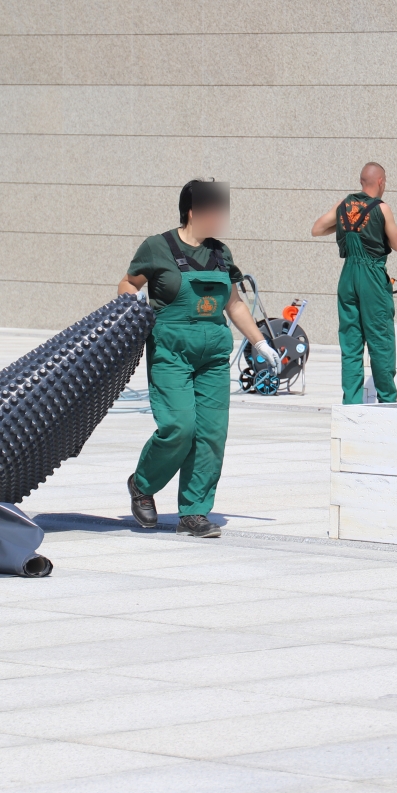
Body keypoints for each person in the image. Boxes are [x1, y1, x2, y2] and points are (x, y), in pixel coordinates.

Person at [117, 180, 277, 539]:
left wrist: (260, 342)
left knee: (211, 434)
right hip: (170, 351)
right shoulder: (157, 248)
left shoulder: (221, 253)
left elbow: (233, 303)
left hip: (213, 355)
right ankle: (142, 484)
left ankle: (194, 512)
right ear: (193, 211)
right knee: (179, 427)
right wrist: (132, 309)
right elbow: (128, 284)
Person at [311, 162, 397, 405]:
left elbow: (317, 229)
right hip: (372, 277)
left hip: (348, 276)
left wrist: (343, 225)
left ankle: (351, 403)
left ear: (362, 181)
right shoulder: (382, 208)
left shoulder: (343, 205)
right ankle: (387, 401)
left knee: (351, 342)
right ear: (381, 182)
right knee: (380, 340)